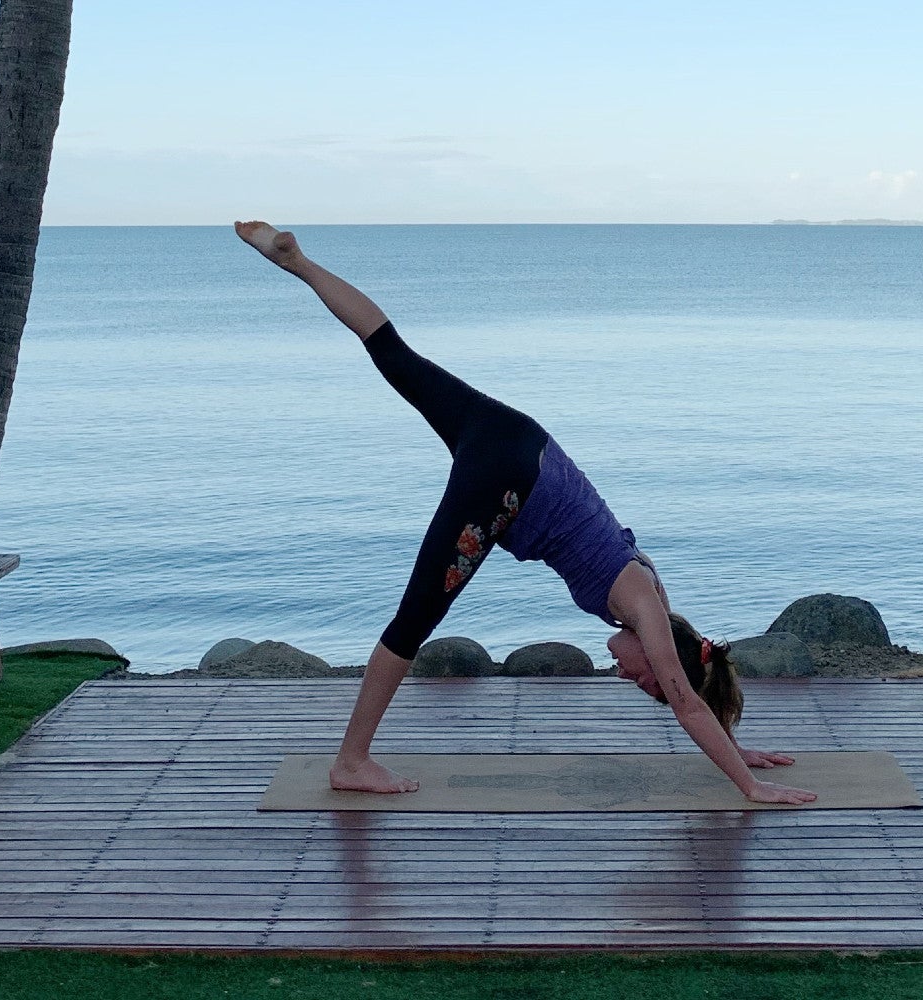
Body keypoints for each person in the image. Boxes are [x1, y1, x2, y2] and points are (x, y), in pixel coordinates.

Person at [234, 221, 816, 806]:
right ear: (664, 654)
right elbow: (686, 699)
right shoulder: (647, 613)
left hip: (517, 437)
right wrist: (750, 784)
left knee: (395, 355)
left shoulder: (654, 591)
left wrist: (734, 743)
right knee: (412, 623)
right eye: (642, 679)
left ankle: (297, 261)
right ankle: (351, 761)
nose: (626, 677)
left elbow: (694, 689)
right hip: (507, 484)